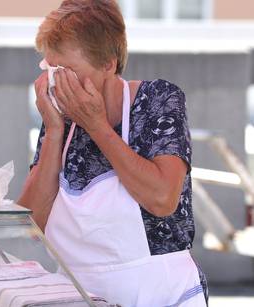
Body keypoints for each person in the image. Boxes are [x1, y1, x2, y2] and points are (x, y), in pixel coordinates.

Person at [17, 0, 208, 306]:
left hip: (157, 294)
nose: (57, 82)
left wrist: (96, 126)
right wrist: (54, 131)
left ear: (108, 64)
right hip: (78, 295)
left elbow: (162, 199)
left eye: (67, 71)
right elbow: (31, 224)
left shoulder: (158, 100)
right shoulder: (59, 117)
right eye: (50, 69)